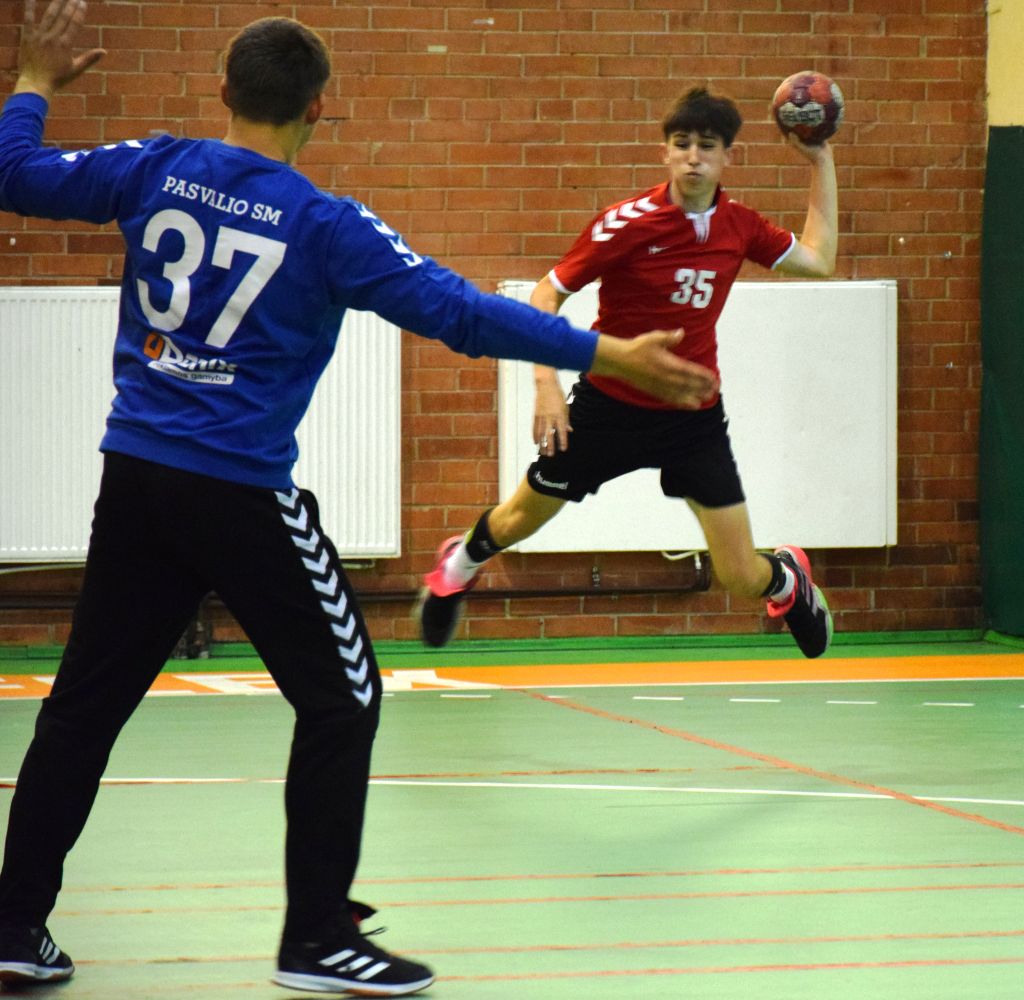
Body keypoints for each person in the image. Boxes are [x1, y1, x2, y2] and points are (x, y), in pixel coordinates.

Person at [0, 3, 717, 996]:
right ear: (318, 109)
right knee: (344, 696)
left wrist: (34, 82)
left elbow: (18, 174)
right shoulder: (324, 225)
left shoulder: (154, 166)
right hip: (240, 490)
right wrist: (603, 352)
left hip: (136, 480)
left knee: (84, 706)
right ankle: (316, 938)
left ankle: (14, 924)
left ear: (224, 91)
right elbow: (462, 314)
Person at [416, 85, 839, 658]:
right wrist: (546, 385)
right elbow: (545, 294)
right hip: (607, 406)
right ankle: (458, 566)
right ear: (665, 152)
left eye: (707, 146)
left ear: (727, 157)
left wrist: (819, 159)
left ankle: (786, 582)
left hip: (691, 414)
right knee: (516, 522)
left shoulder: (740, 226)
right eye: (682, 144)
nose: (693, 157)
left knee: (740, 575)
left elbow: (818, 259)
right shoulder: (626, 224)